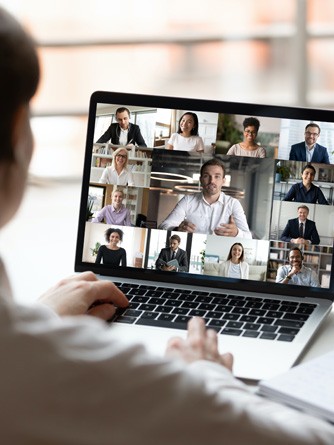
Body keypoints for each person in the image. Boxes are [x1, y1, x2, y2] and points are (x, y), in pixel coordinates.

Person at [1, 8, 334, 444]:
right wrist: (206, 378)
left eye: (218, 177)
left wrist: (39, 320)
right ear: (15, 132)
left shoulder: (236, 204)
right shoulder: (81, 370)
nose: (213, 181)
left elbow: (250, 238)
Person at [159, 158, 252, 238]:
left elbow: (248, 237)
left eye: (217, 176)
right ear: (201, 180)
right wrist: (177, 229)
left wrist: (236, 233)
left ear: (223, 181)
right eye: (207, 176)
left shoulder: (233, 204)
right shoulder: (187, 200)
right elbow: (163, 226)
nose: (212, 181)